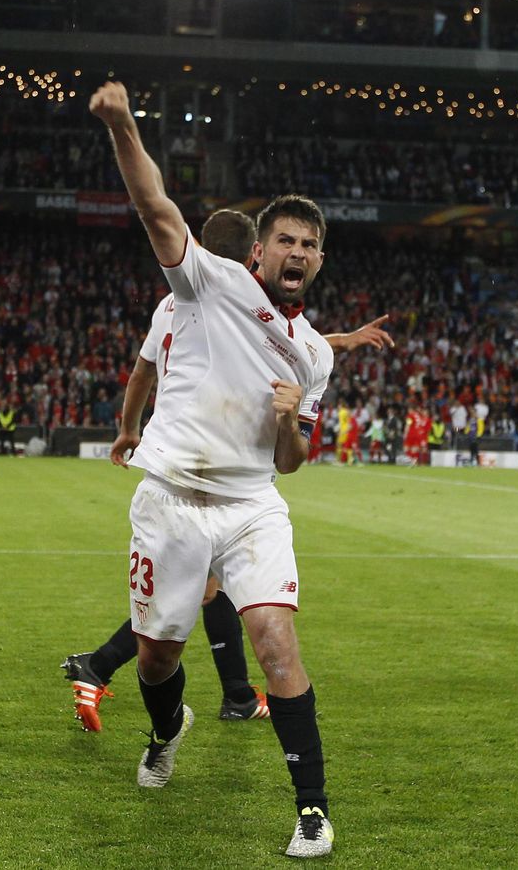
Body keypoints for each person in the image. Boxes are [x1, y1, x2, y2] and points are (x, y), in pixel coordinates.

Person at [92, 80, 337, 857]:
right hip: (170, 498)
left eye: (309, 244)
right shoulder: (208, 283)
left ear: (319, 260)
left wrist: (286, 420)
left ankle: (312, 811)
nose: (295, 253)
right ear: (258, 251)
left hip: (250, 505)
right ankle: (168, 730)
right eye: (284, 241)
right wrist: (125, 125)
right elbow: (155, 208)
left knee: (274, 640)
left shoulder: (317, 353)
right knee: (158, 656)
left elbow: (292, 463)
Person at [66, 209, 393, 734]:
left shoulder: (170, 303)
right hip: (198, 459)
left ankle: (229, 693)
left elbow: (153, 366)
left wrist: (129, 427)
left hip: (199, 460)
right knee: (196, 599)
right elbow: (261, 333)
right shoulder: (214, 294)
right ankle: (114, 667)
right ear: (251, 258)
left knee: (210, 591)